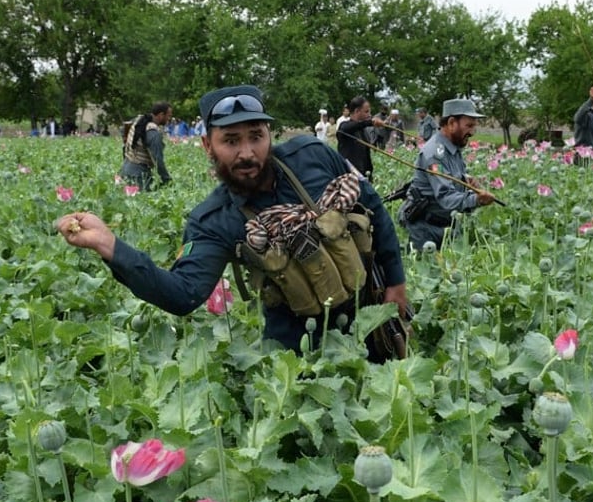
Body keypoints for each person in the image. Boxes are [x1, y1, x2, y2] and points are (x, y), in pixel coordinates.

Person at [58, 84, 408, 355]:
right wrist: (109, 246)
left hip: (371, 317)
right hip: (297, 347)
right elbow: (182, 294)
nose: (247, 152)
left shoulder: (312, 156)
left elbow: (372, 206)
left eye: (256, 136)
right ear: (207, 145)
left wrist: (396, 282)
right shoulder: (214, 221)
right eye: (230, 140)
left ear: (270, 135)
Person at [398, 98, 497, 251]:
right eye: (469, 126)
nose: (472, 132)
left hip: (447, 226)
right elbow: (446, 197)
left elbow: (453, 178)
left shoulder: (453, 148)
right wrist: (477, 199)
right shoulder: (435, 153)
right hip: (426, 231)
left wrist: (466, 182)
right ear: (451, 123)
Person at [120, 101, 173, 191]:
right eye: (168, 116)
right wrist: (167, 180)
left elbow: (123, 131)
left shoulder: (138, 120)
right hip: (138, 175)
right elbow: (158, 161)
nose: (169, 119)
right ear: (161, 115)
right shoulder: (153, 133)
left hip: (125, 169)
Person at [337, 96, 384, 180]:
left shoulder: (363, 131)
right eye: (366, 111)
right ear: (356, 111)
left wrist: (369, 177)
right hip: (349, 179)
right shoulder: (345, 127)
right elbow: (347, 128)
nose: (369, 114)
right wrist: (371, 122)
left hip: (363, 176)